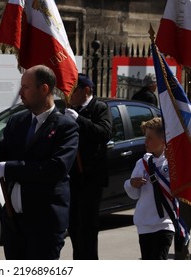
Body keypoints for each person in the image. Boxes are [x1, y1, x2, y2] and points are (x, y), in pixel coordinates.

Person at [0, 65, 79, 260]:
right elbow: (4, 158)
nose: (20, 93)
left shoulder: (65, 127)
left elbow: (56, 169)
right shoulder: (17, 121)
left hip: (44, 222)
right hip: (14, 218)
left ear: (44, 89)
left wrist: (11, 169)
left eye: (26, 87)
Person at [64, 73, 112, 260]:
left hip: (92, 177)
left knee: (88, 227)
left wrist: (79, 120)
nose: (70, 95)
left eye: (73, 91)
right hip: (73, 176)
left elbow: (104, 133)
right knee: (74, 226)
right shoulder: (70, 109)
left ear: (86, 90)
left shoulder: (99, 108)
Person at [124, 117, 174, 260]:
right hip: (144, 224)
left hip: (164, 224)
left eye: (150, 138)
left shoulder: (173, 163)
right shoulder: (142, 163)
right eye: (145, 137)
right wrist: (131, 184)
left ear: (163, 140)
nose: (146, 142)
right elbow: (134, 195)